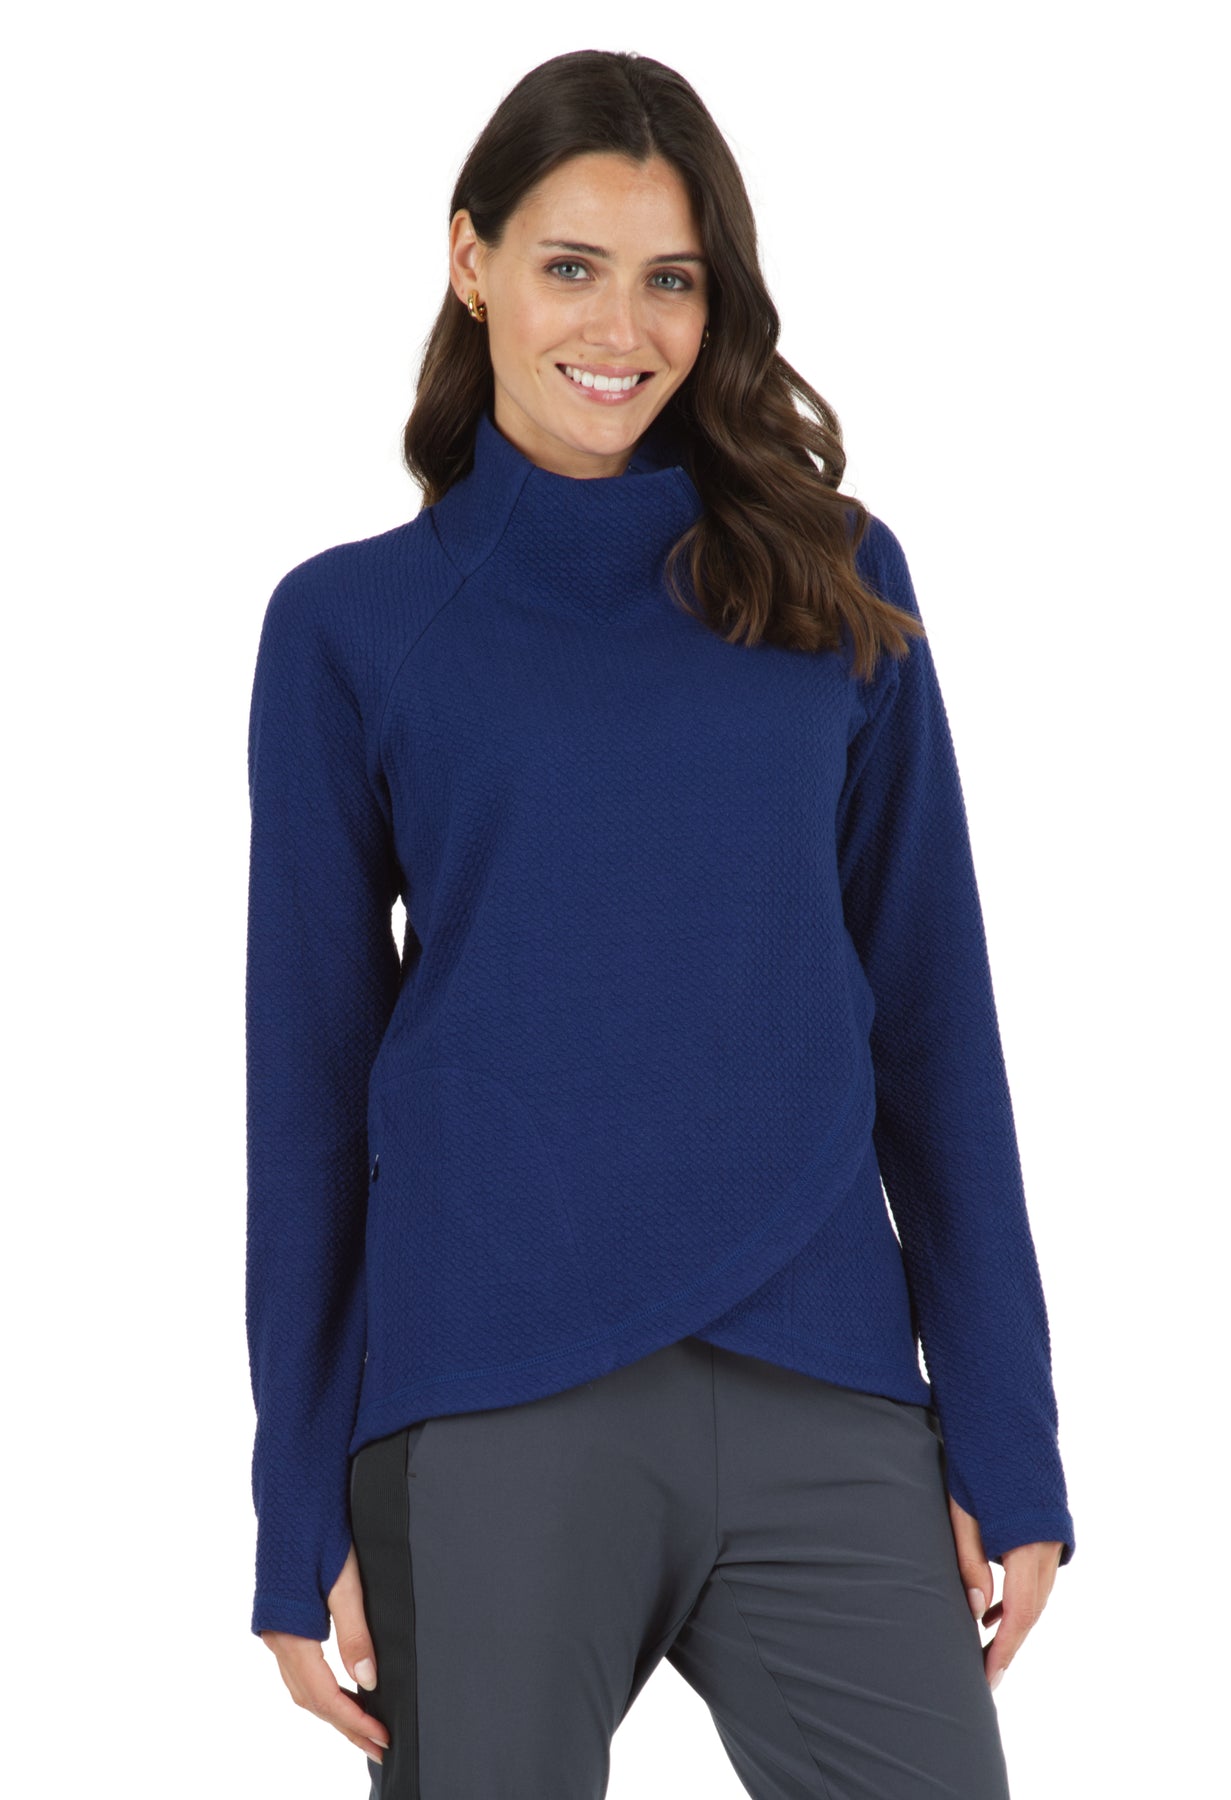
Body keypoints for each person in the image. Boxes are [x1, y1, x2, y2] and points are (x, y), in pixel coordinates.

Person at [244, 46, 1076, 1800]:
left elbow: (935, 1016)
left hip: (826, 1379)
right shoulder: (352, 628)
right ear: (471, 261)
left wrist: (1005, 1425)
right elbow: (307, 1088)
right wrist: (294, 1496)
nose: (621, 327)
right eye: (572, 265)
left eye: (672, 279)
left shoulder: (835, 581)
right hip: (487, 1398)